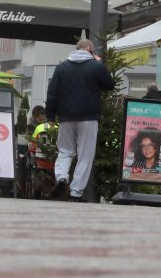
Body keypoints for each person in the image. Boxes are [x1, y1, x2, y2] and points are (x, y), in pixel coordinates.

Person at [45, 38, 114, 202]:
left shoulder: (62, 68)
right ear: (90, 49)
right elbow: (109, 85)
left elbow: (52, 93)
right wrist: (101, 64)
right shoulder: (96, 66)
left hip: (66, 117)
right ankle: (76, 193)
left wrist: (50, 116)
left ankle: (62, 177)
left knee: (65, 150)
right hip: (89, 117)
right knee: (85, 155)